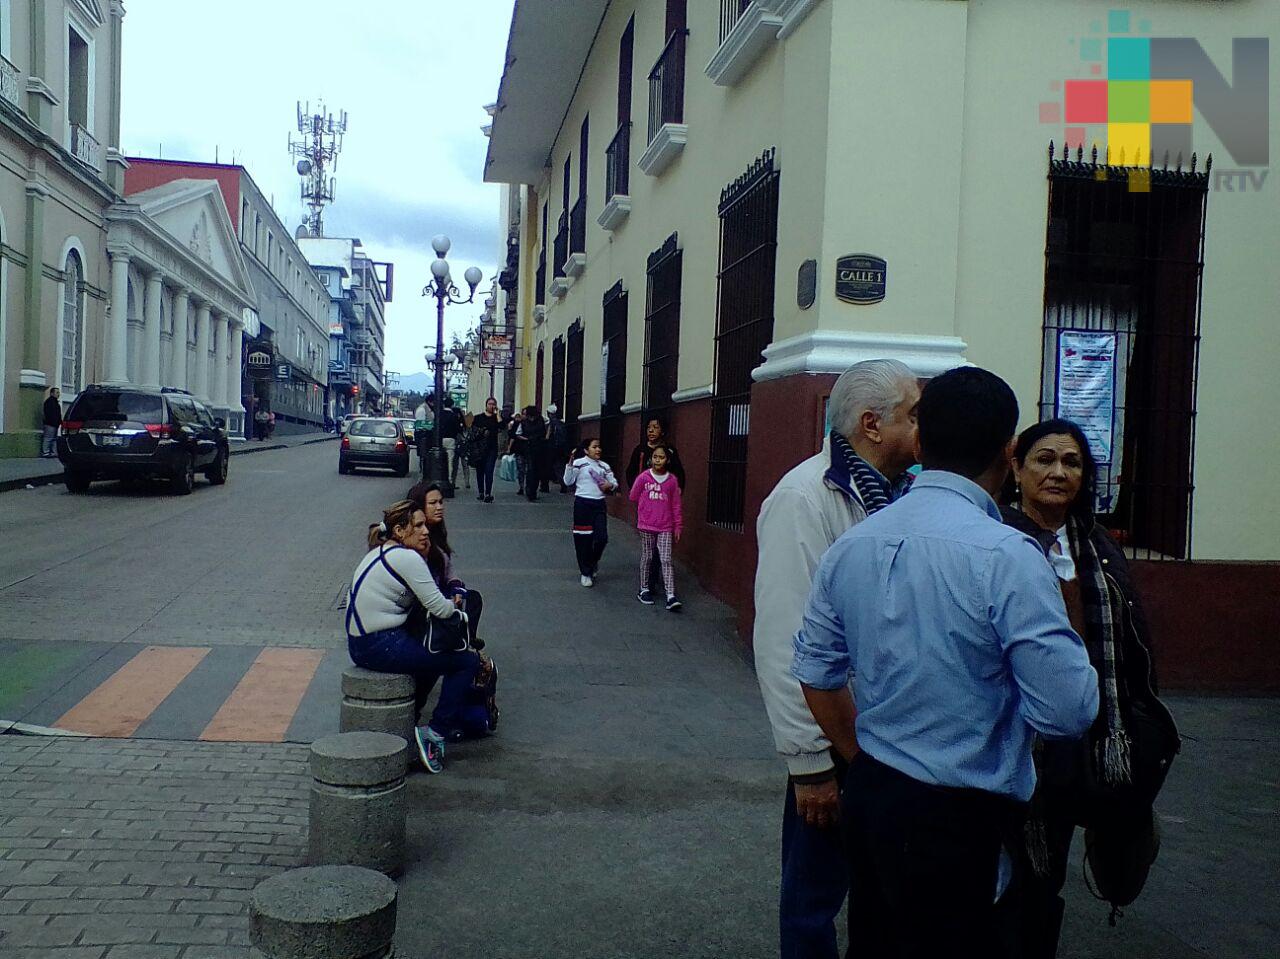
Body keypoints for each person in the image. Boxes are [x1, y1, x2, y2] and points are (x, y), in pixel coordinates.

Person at [792, 366, 1099, 958]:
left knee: (876, 943)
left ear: (920, 444)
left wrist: (867, 758)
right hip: (961, 813)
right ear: (1009, 452)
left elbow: (816, 673)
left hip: (875, 795)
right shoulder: (1009, 556)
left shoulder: (854, 543)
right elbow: (1067, 711)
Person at [753, 359, 921, 959]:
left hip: (895, 738)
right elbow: (785, 640)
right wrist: (809, 765)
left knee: (890, 895)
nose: (924, 427)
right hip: (835, 740)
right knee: (813, 900)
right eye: (914, 415)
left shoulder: (907, 494)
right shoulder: (804, 498)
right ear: (872, 425)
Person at [1000, 419, 1174, 958]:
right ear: (1016, 469)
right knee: (1028, 877)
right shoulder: (1001, 542)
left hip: (1097, 734)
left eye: (1071, 462)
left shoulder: (1097, 547)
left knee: (1060, 869)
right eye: (1044, 459)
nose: (1058, 472)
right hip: (1026, 740)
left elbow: (1131, 640)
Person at [346, 500, 480, 774]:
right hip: (380, 645)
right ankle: (435, 733)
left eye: (425, 525)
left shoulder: (382, 551)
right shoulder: (407, 558)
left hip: (362, 642)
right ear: (399, 530)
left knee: (433, 658)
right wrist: (456, 604)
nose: (425, 531)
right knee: (466, 662)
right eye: (417, 526)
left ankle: (412, 720)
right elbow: (440, 608)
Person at [628, 444, 684, 611]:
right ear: (651, 459)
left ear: (667, 460)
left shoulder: (672, 481)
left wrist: (678, 526)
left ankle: (670, 595)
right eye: (655, 457)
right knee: (648, 556)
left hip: (665, 526)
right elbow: (633, 496)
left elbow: (676, 505)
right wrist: (646, 506)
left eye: (661, 457)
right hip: (646, 524)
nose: (658, 460)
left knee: (666, 559)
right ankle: (644, 588)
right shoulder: (644, 477)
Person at [564, 438, 617, 587]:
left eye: (599, 447)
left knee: (601, 538)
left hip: (599, 504)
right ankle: (585, 572)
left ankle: (593, 561)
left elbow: (614, 483)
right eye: (594, 447)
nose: (598, 450)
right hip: (582, 504)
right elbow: (568, 481)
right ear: (586, 450)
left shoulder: (604, 466)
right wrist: (569, 464)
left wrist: (610, 485)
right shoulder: (579, 463)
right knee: (583, 539)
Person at [625, 414, 686, 490]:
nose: (651, 430)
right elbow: (630, 472)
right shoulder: (640, 449)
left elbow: (679, 473)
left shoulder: (669, 450)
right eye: (648, 427)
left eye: (655, 427)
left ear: (662, 431)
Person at [473, 397, 503, 503]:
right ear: (486, 405)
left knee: (489, 471)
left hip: (492, 448)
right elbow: (473, 432)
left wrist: (498, 414)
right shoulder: (478, 418)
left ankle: (488, 493)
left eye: (494, 404)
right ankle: (481, 492)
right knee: (480, 471)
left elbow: (501, 426)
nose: (492, 406)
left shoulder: (496, 418)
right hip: (479, 448)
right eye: (490, 404)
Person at [518, 405, 546, 502]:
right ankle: (530, 491)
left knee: (535, 470)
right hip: (530, 448)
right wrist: (527, 439)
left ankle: (532, 491)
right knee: (531, 470)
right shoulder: (526, 422)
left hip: (538, 448)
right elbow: (518, 434)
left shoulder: (538, 421)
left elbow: (543, 432)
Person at [545, 404, 570, 493]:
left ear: (549, 414)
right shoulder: (562, 424)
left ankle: (546, 486)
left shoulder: (550, 424)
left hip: (552, 448)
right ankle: (563, 484)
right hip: (561, 449)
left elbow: (547, 437)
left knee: (550, 467)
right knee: (561, 467)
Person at [440, 396, 461, 482]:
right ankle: (449, 479)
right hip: (451, 439)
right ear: (452, 405)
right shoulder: (454, 416)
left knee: (440, 459)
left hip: (440, 439)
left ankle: (441, 476)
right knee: (450, 460)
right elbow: (458, 428)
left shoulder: (440, 414)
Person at [453, 412, 476, 491]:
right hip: (462, 446)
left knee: (458, 466)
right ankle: (466, 482)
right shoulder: (465, 426)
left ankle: (457, 482)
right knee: (463, 465)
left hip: (460, 446)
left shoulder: (459, 426)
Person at [41, 388, 62, 458]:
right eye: (57, 392)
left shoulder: (55, 402)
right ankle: (46, 452)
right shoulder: (49, 402)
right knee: (48, 438)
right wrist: (55, 421)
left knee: (53, 438)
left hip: (54, 424)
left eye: (58, 392)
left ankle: (53, 452)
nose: (58, 394)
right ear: (52, 393)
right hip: (50, 424)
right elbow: (50, 414)